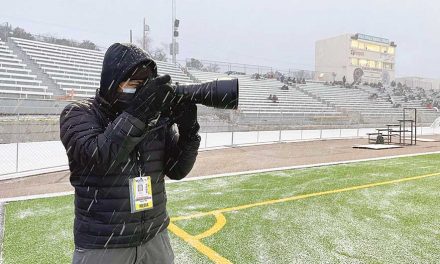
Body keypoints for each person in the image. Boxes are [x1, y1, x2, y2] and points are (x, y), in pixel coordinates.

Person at [60, 43, 201, 264]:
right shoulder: (79, 114)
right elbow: (100, 158)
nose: (141, 91)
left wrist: (189, 131)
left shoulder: (153, 118)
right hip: (104, 243)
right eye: (134, 84)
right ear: (112, 82)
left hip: (155, 237)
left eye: (146, 85)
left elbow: (177, 170)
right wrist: (140, 113)